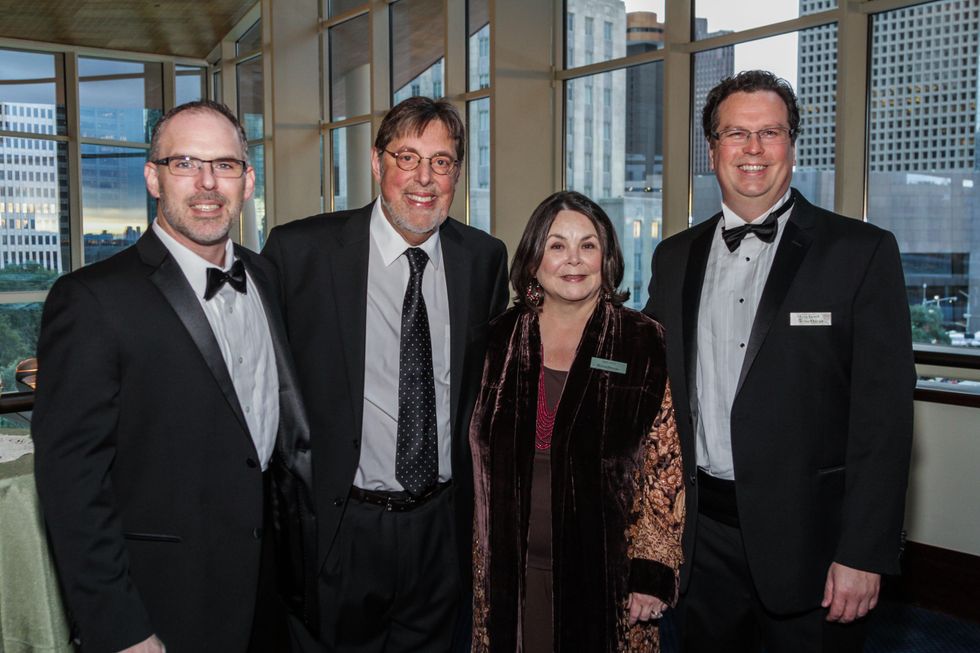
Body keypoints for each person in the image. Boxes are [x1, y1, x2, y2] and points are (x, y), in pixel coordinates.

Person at [644, 70, 915, 652]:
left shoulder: (861, 253)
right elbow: (641, 376)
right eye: (736, 133)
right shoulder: (673, 258)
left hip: (815, 549)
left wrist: (863, 553)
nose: (753, 149)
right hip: (702, 541)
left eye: (770, 132)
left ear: (792, 143)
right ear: (712, 148)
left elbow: (884, 420)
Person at [32, 100, 317, 653]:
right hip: (162, 602)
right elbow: (72, 487)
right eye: (185, 163)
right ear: (153, 177)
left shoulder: (264, 276)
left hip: (267, 594)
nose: (208, 182)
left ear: (249, 180)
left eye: (225, 165)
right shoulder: (91, 299)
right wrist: (121, 629)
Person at [263, 96, 509, 651]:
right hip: (340, 525)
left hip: (441, 527)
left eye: (441, 162)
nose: (424, 178)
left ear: (457, 173)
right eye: (407, 157)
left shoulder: (484, 259)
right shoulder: (301, 252)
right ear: (377, 164)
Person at [470, 190, 684, 652]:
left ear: (607, 258)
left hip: (608, 576)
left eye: (588, 245)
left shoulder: (642, 343)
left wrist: (651, 571)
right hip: (510, 570)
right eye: (557, 245)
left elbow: (665, 467)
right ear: (533, 261)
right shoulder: (497, 340)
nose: (574, 260)